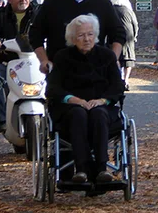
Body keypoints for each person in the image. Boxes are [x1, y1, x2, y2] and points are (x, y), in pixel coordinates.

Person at [46, 14, 126, 184]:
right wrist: (75, 100)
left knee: (98, 114)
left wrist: (103, 100)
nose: (86, 39)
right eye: (81, 35)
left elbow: (117, 87)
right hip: (71, 108)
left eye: (90, 34)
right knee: (78, 114)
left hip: (102, 106)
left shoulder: (107, 56)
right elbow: (53, 88)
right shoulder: (62, 57)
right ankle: (81, 170)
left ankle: (101, 169)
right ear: (73, 38)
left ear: (95, 35)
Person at [29, 0, 126, 74]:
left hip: (96, 74)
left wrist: (112, 59)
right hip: (60, 74)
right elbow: (35, 34)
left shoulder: (103, 4)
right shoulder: (53, 2)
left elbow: (119, 34)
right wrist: (44, 61)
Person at [0, 0, 39, 135]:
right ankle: (1, 120)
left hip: (37, 61)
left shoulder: (40, 13)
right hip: (8, 62)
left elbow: (54, 28)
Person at [108, 0, 139, 90]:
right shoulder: (128, 10)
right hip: (128, 36)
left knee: (116, 58)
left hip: (115, 36)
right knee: (128, 59)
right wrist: (134, 36)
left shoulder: (111, 10)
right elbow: (135, 24)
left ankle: (119, 78)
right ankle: (126, 80)